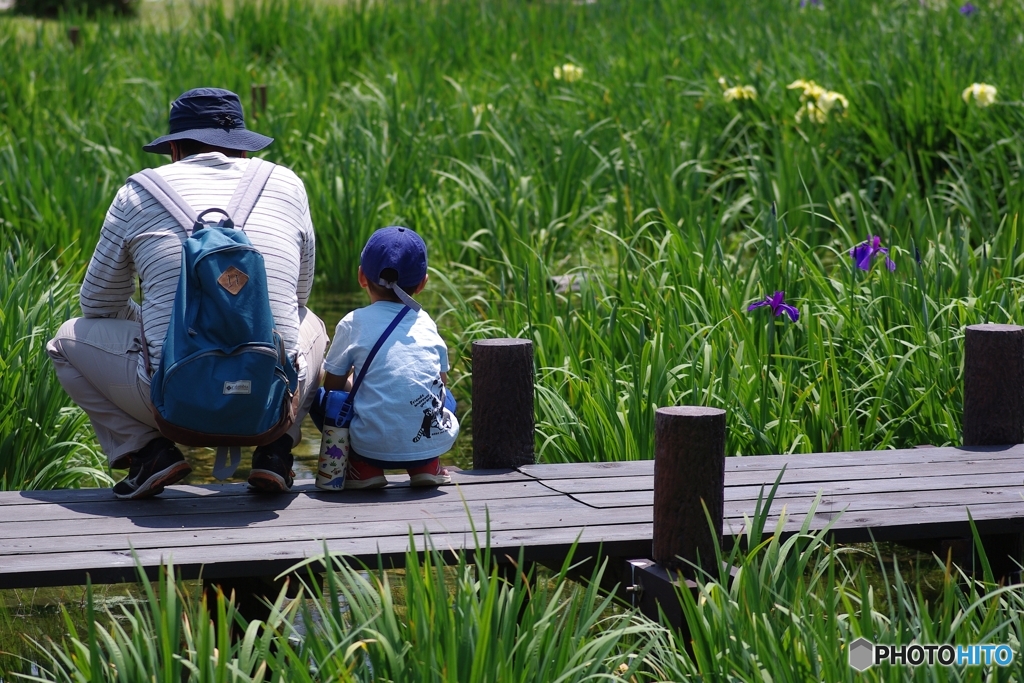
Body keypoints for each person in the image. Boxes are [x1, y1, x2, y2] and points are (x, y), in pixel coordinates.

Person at [47, 87, 327, 499]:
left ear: (175, 149)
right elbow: (297, 297)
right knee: (313, 323)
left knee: (64, 342)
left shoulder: (139, 191)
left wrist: (161, 322)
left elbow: (98, 305)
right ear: (244, 151)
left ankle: (149, 452)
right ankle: (275, 450)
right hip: (269, 399)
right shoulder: (287, 184)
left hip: (171, 401)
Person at [321, 226, 459, 488]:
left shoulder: (353, 322)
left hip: (369, 444)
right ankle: (426, 464)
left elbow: (332, 387)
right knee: (447, 398)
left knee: (323, 400)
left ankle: (364, 467)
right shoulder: (427, 322)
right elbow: (439, 381)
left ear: (362, 277)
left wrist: (353, 380)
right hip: (427, 437)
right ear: (422, 283)